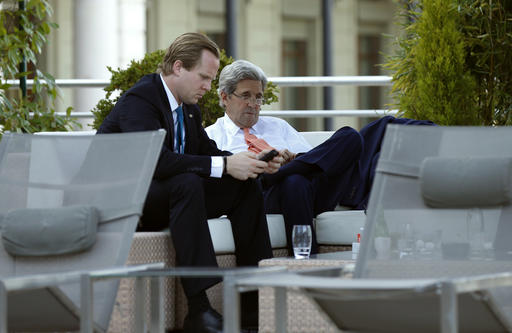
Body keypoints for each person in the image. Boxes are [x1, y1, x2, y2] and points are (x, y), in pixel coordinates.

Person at [98, 33, 281, 333]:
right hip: (124, 199)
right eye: (205, 78)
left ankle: (251, 305)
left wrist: (252, 163)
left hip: (164, 196)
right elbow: (155, 161)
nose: (209, 88)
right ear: (179, 67)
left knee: (245, 185)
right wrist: (224, 164)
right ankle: (198, 309)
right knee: (187, 182)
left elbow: (208, 154)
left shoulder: (189, 109)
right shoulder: (141, 99)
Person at [206, 59, 434, 255]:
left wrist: (293, 158)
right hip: (265, 195)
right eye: (246, 96)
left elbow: (313, 160)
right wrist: (263, 167)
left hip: (313, 191)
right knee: (293, 182)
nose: (254, 105)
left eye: (258, 97)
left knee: (350, 136)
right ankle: (306, 258)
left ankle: (278, 175)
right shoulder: (213, 137)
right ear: (225, 97)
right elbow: (221, 187)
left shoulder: (277, 126)